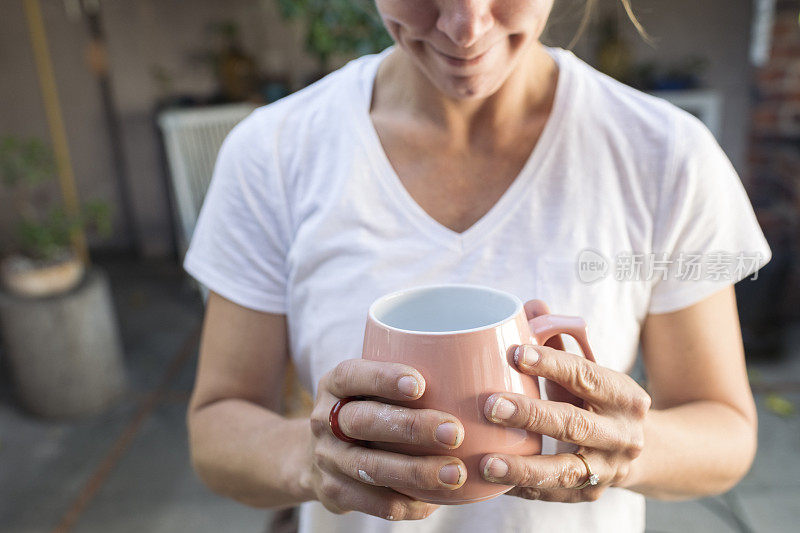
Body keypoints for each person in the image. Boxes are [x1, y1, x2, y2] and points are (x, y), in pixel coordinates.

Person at [182, 1, 771, 532]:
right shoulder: (273, 154)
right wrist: (309, 461)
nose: (465, 27)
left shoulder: (665, 155)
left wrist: (626, 447)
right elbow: (216, 429)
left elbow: (725, 430)